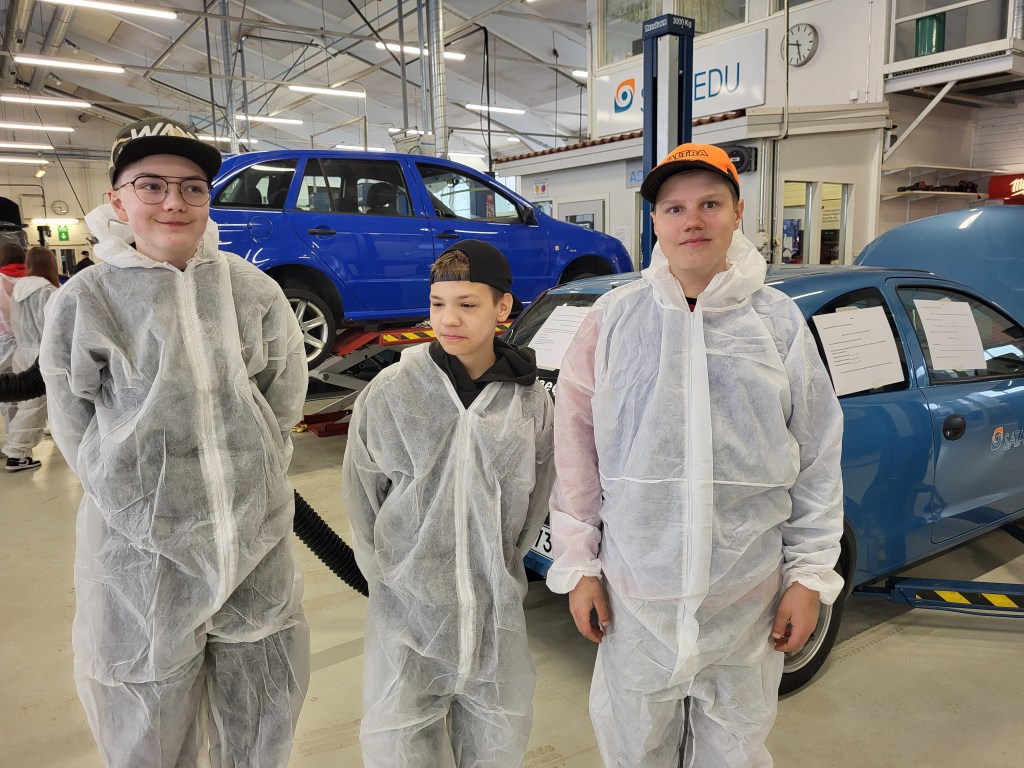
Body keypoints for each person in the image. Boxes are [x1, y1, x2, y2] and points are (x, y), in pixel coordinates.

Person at [547, 143, 844, 767]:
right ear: (655, 221)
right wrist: (580, 567)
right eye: (674, 208)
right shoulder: (614, 319)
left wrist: (809, 577)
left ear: (738, 213)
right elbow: (574, 455)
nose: (693, 221)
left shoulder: (778, 323)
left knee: (734, 747)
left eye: (710, 204)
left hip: (747, 597)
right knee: (635, 747)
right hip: (636, 597)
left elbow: (817, 456)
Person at [38, 117, 310, 767]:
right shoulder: (88, 300)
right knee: (147, 723)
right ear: (117, 200)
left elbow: (281, 398)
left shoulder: (251, 289)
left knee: (262, 716)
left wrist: (252, 481)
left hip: (253, 546)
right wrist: (132, 502)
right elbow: (73, 421)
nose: (173, 202)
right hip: (141, 559)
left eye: (192, 187)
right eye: (151, 185)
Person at [343, 239, 555, 768]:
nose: (448, 319)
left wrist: (502, 568)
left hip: (492, 605)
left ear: (503, 308)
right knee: (401, 738)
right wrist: (391, 579)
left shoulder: (528, 401)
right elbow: (364, 494)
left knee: (494, 737)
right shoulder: (394, 390)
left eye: (467, 304)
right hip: (408, 606)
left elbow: (534, 501)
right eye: (438, 304)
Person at [2, 245, 58, 470]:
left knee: (30, 404)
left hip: (22, 350)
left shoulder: (18, 288)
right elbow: (54, 325)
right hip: (42, 353)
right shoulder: (47, 291)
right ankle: (17, 453)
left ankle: (21, 447)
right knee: (33, 406)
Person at [0, 243, 27, 443]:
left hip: (3, 346)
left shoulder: (0, 280)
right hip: (30, 345)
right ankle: (22, 441)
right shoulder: (33, 280)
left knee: (7, 394)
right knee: (31, 394)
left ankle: (12, 439)